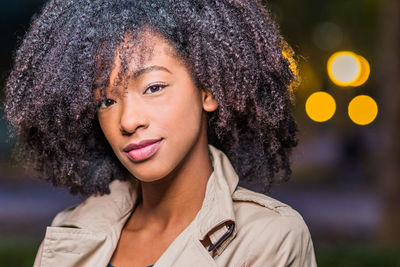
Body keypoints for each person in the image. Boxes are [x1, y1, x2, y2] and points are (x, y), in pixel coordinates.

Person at [4, 0, 317, 266]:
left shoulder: (270, 239)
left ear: (208, 90)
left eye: (153, 87)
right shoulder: (70, 233)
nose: (128, 121)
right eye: (107, 100)